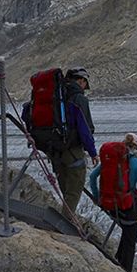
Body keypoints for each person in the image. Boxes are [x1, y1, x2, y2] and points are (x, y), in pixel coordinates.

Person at [89, 132, 137, 272]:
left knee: (126, 230)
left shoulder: (113, 160)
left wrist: (97, 197)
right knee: (131, 238)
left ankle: (119, 257)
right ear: (135, 146)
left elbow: (92, 177)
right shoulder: (136, 163)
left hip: (110, 206)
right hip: (126, 207)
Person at [48, 67, 98, 220]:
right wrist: (92, 152)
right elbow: (85, 128)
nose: (84, 87)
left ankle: (64, 219)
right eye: (85, 83)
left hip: (55, 151)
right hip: (73, 151)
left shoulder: (55, 95)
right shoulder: (78, 99)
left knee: (66, 190)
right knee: (74, 190)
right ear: (81, 80)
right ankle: (63, 224)